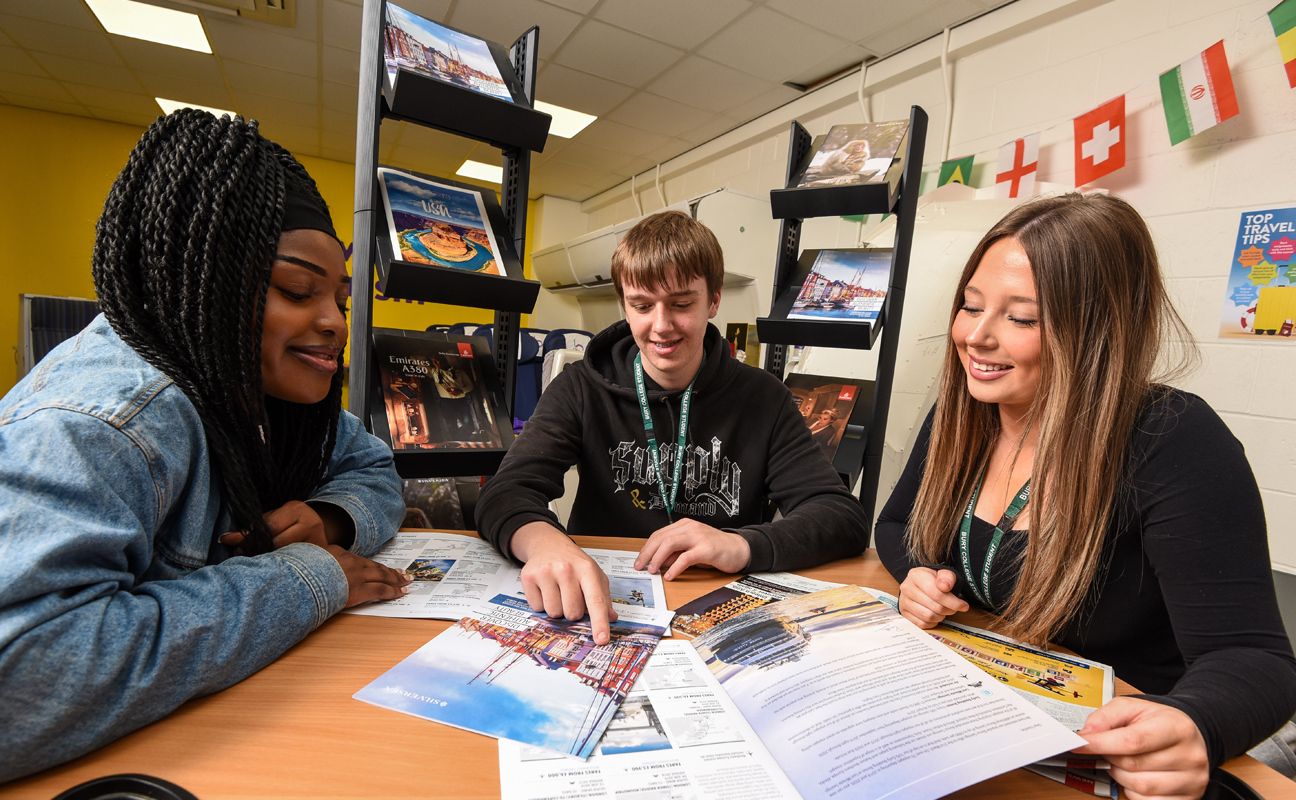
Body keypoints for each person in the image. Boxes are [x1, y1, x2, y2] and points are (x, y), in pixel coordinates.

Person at [0, 110, 410, 782]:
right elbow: (22, 676)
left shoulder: (262, 390)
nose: (335, 322)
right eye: (297, 290)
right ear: (201, 283)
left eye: (339, 297)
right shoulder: (107, 421)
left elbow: (371, 464)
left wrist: (331, 517)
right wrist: (309, 577)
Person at [873, 193, 1296, 800]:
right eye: (970, 307)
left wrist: (1194, 723)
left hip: (1118, 747)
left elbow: (1254, 658)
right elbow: (895, 526)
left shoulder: (1172, 437)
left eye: (1020, 319)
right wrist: (918, 572)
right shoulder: (963, 412)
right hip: (988, 717)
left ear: (1095, 332)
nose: (976, 337)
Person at [476, 211, 869, 645]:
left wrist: (740, 545)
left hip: (716, 609)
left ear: (713, 301)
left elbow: (840, 516)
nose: (661, 326)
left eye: (682, 304)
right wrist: (547, 544)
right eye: (642, 306)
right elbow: (506, 491)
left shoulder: (764, 396)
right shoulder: (580, 387)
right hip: (604, 605)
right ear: (624, 304)